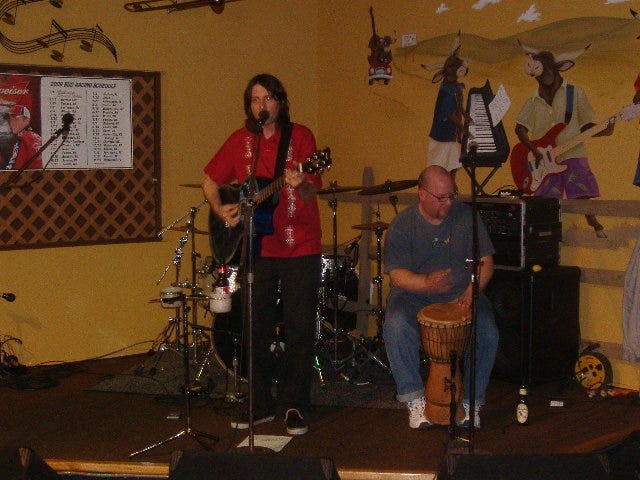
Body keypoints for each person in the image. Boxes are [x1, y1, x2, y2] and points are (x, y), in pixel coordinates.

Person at [201, 73, 323, 436]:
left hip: (300, 244)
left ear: (280, 102)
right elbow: (209, 180)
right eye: (255, 99)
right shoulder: (241, 141)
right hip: (256, 248)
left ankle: (294, 404)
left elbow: (311, 194)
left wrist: (301, 183)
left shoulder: (300, 138)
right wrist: (221, 210)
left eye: (268, 98)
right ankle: (260, 401)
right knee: (254, 324)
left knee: (299, 327)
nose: (261, 105)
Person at [382, 165, 499, 429]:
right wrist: (426, 283)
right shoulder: (402, 224)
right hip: (414, 295)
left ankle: (472, 402)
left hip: (462, 295)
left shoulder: (467, 218)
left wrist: (472, 289)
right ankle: (414, 399)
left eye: (451, 195)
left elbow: (485, 262)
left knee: (488, 331)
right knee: (396, 325)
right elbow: (397, 276)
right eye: (441, 197)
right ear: (422, 193)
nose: (448, 202)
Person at [514, 46, 613, 237]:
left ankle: (594, 224)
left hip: (573, 153)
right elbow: (520, 129)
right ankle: (548, 238)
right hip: (543, 161)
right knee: (546, 204)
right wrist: (533, 149)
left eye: (544, 73)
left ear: (557, 69)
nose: (541, 80)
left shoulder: (575, 94)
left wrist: (604, 130)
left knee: (582, 192)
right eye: (537, 76)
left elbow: (585, 126)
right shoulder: (533, 101)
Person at [4, 105, 42, 170]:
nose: (11, 122)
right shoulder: (38, 138)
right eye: (9, 118)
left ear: (26, 120)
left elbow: (12, 171)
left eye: (15, 117)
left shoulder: (21, 138)